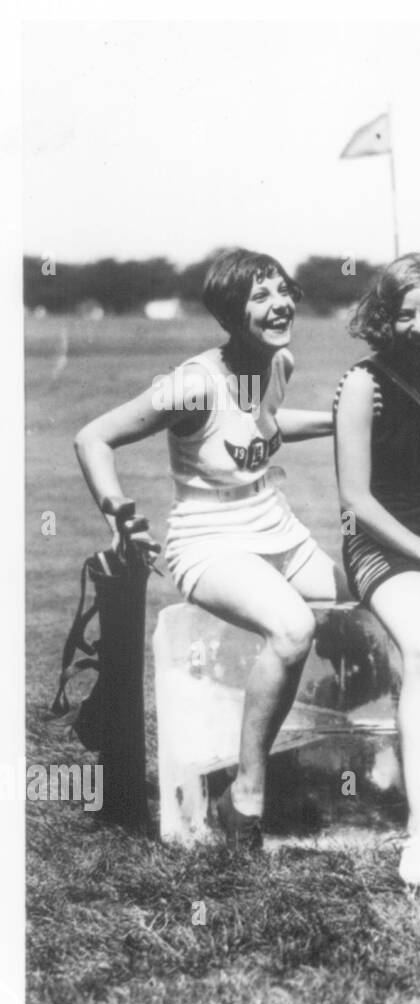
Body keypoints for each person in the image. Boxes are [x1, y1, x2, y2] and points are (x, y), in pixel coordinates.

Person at [74, 248, 340, 850]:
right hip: (210, 543)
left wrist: (337, 417)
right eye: (259, 297)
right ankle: (243, 794)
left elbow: (267, 423)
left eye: (282, 291)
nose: (279, 305)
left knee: (371, 600)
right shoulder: (196, 384)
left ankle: (342, 759)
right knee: (293, 628)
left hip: (280, 529)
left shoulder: (279, 362)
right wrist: (119, 516)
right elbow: (94, 437)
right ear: (228, 312)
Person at [333, 254, 420, 885]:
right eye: (405, 313)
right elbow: (357, 500)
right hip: (378, 542)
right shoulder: (363, 383)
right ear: (382, 318)